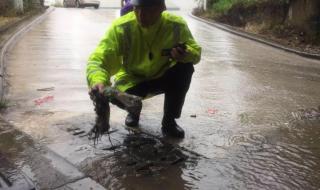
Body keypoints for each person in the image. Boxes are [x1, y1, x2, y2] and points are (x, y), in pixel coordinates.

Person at [86, 0, 201, 138]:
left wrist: (186, 54)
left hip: (162, 76)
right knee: (111, 94)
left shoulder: (176, 26)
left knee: (185, 68)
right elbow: (99, 58)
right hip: (131, 81)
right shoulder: (122, 27)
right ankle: (133, 112)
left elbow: (196, 53)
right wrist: (97, 80)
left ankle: (169, 121)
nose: (141, 15)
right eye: (137, 9)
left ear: (161, 8)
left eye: (148, 10)